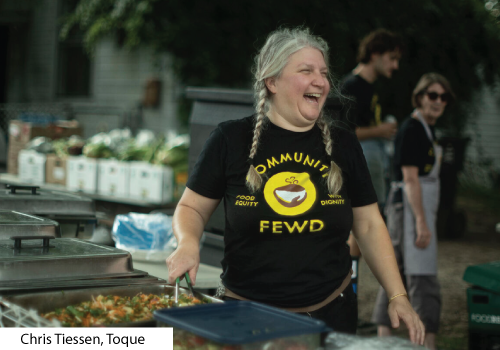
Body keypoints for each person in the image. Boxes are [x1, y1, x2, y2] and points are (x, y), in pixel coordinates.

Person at [166, 27, 424, 344]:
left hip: (329, 315)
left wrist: (398, 293)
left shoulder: (343, 143)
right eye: (306, 71)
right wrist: (188, 242)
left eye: (324, 73)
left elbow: (369, 225)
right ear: (272, 82)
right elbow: (191, 206)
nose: (321, 81)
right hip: (245, 317)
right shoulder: (230, 139)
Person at [371, 73, 455, 350]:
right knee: (422, 276)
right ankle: (424, 342)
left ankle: (385, 340)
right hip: (407, 210)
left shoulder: (428, 130)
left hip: (413, 209)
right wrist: (421, 221)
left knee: (397, 272)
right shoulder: (412, 129)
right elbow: (409, 180)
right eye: (432, 95)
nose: (438, 101)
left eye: (443, 97)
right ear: (419, 97)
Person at [341, 28, 403, 294]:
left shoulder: (370, 87)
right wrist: (379, 131)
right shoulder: (352, 86)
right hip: (358, 162)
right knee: (362, 223)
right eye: (391, 58)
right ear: (375, 54)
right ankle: (349, 286)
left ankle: (351, 287)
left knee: (363, 225)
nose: (395, 65)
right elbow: (343, 132)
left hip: (372, 159)